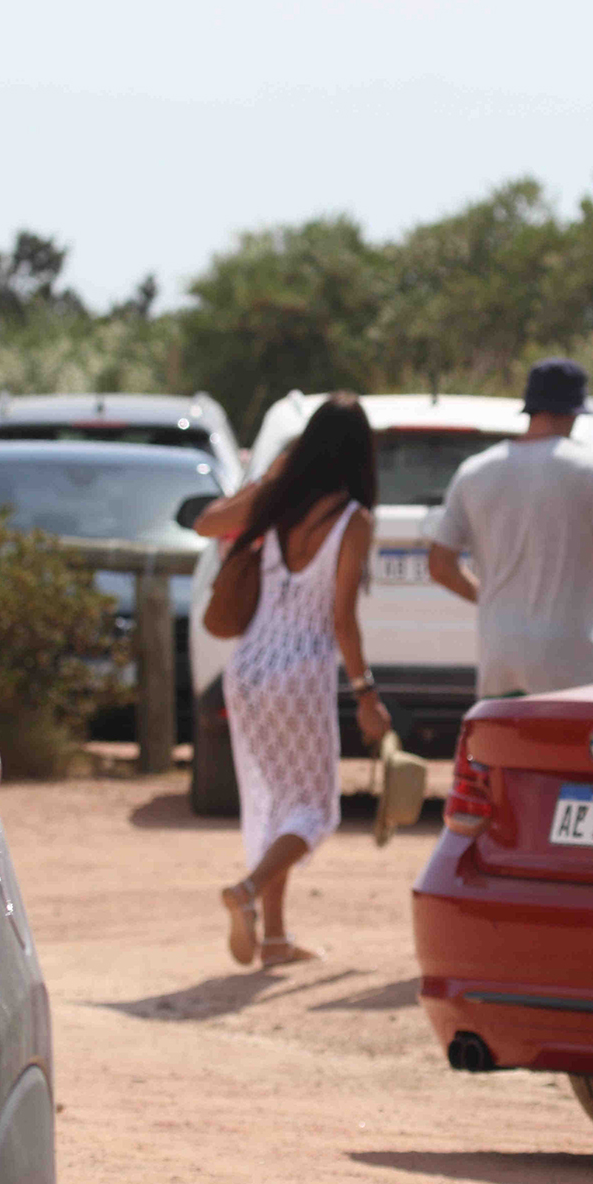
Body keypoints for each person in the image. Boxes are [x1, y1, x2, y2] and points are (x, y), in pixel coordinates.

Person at [193, 394, 392, 968]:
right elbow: (342, 620)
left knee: (279, 802)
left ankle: (275, 939)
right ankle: (248, 890)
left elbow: (208, 522)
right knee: (315, 811)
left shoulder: (278, 502)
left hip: (247, 667)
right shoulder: (354, 520)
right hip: (300, 675)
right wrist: (366, 696)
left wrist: (271, 479)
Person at [427, 357, 593, 697]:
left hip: (499, 654)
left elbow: (439, 564)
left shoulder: (475, 472)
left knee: (505, 750)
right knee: (565, 750)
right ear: (574, 411)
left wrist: (491, 600)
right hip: (568, 658)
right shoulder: (592, 470)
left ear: (531, 407)